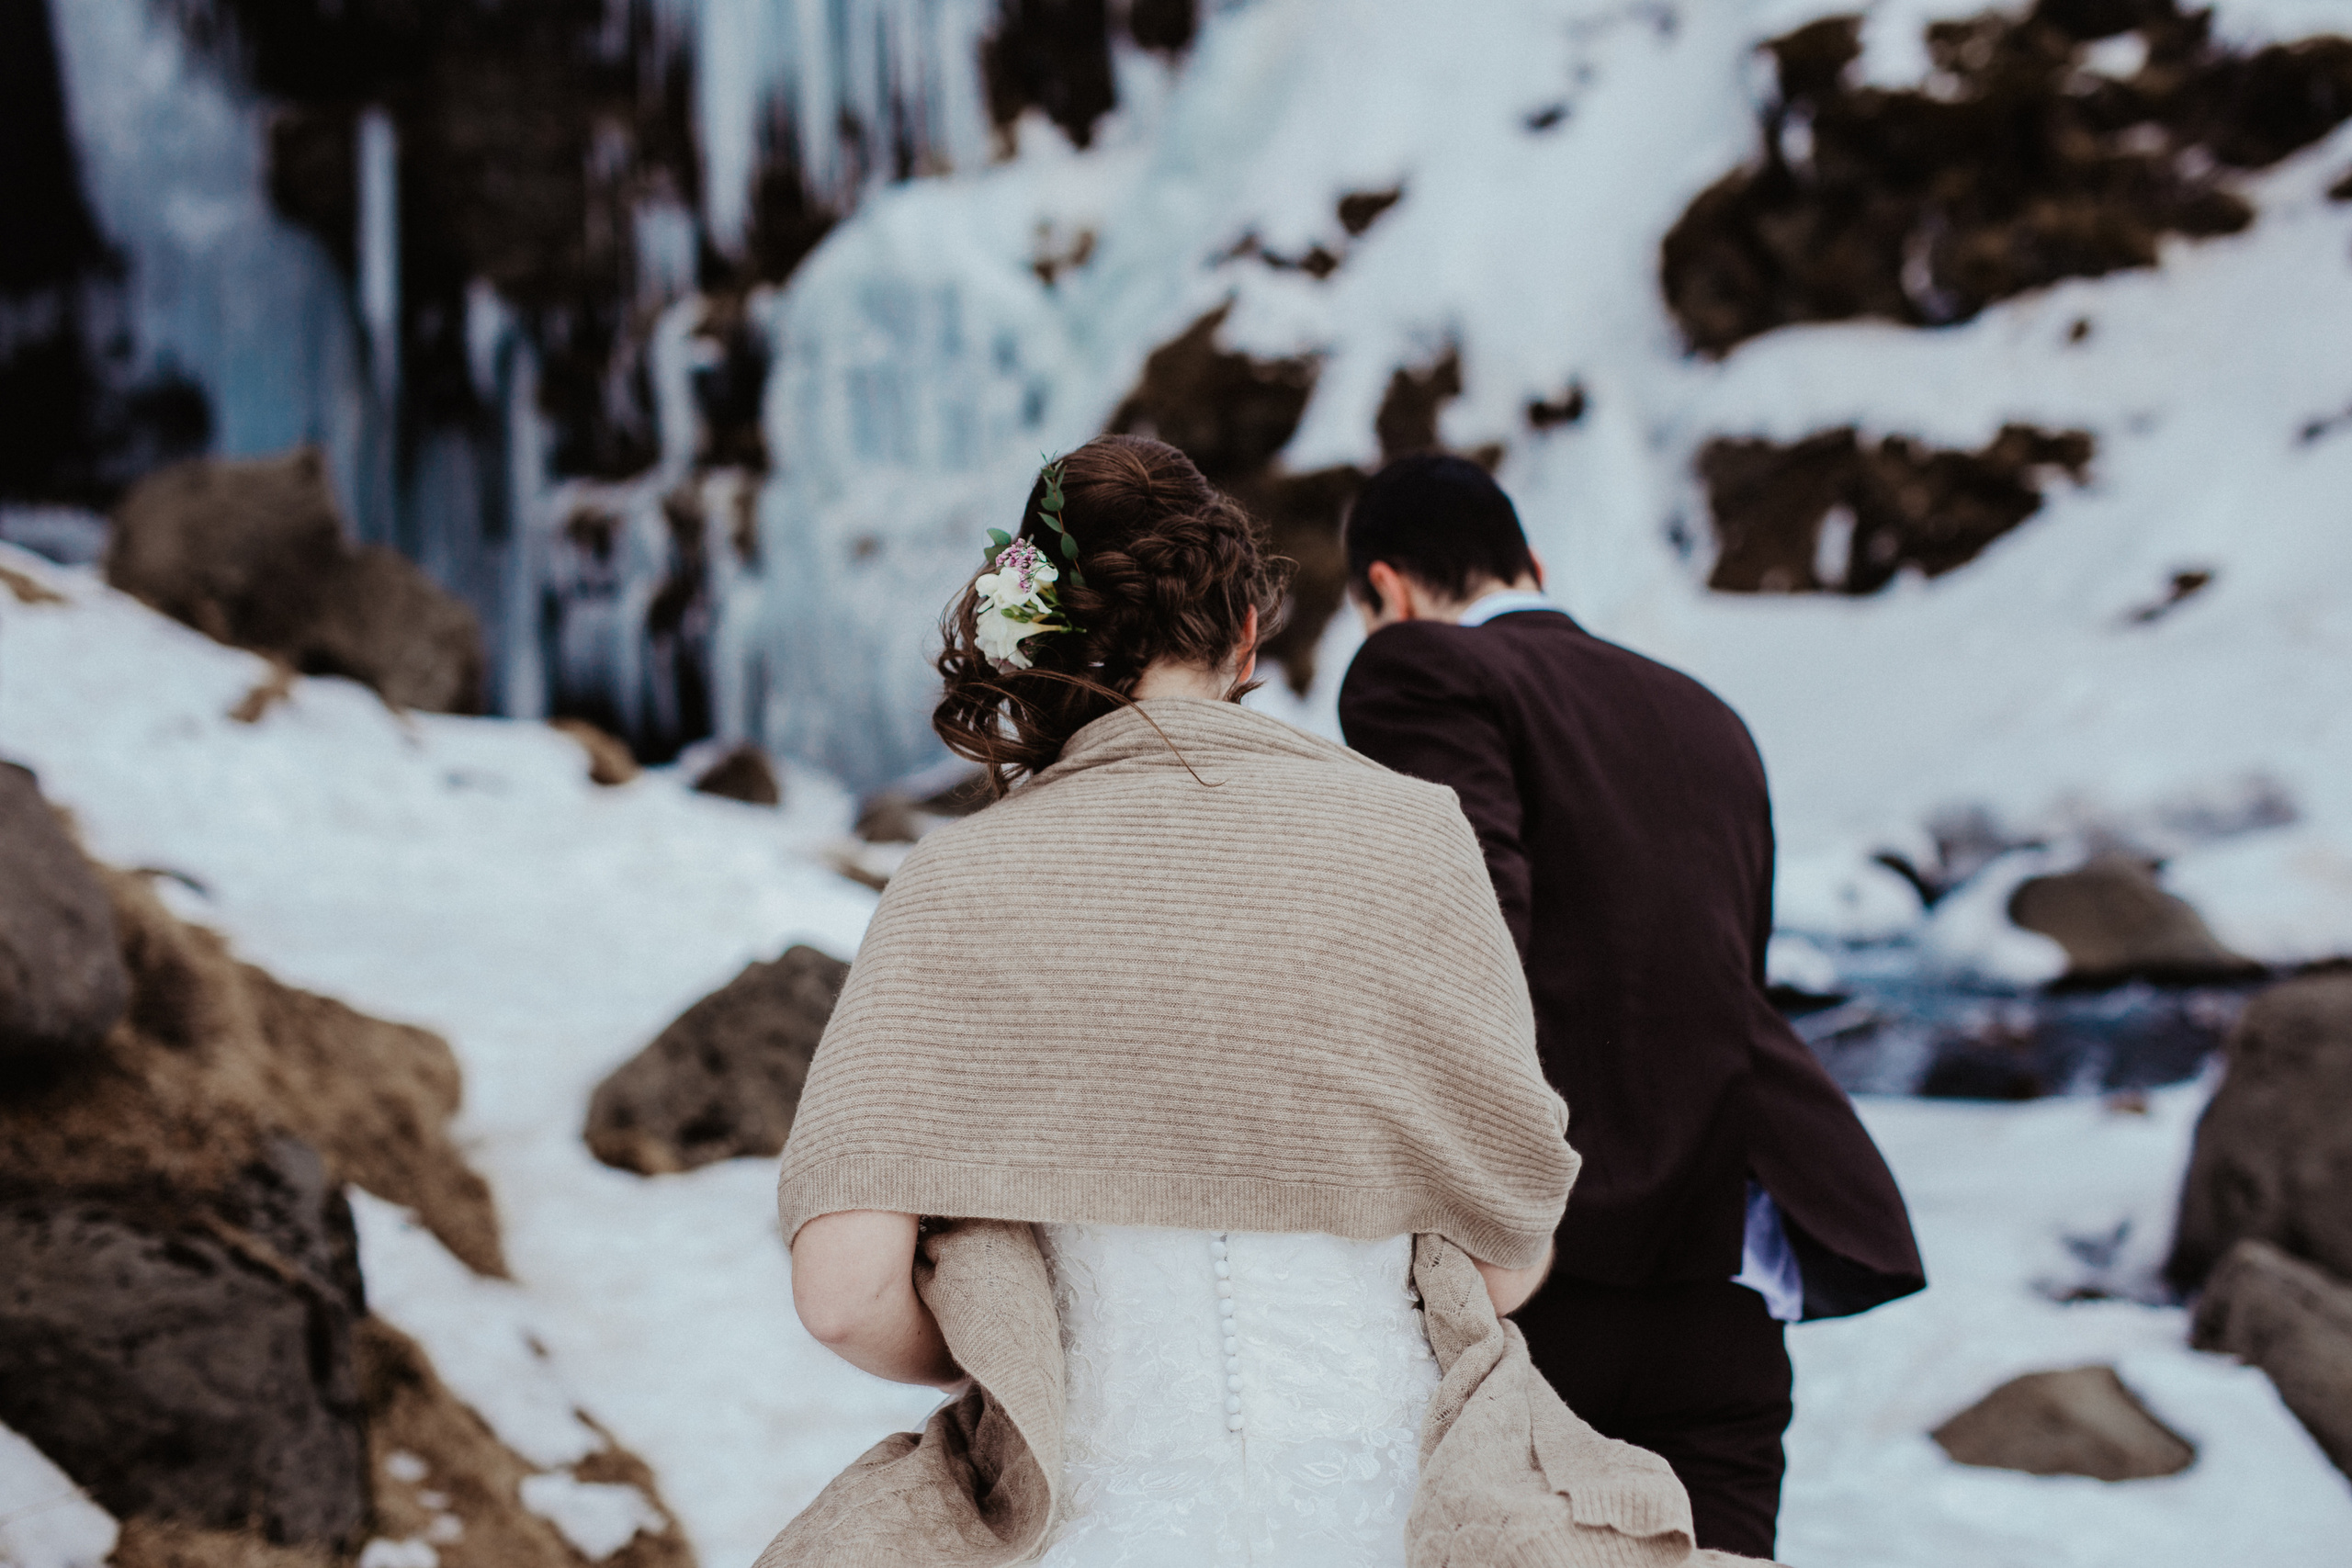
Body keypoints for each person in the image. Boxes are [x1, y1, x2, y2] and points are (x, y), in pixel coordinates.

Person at [757, 436, 1769, 1568]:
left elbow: (842, 1293)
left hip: (1093, 1519)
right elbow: (1508, 1248)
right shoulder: (1415, 833)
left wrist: (1007, 1345)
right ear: (1246, 633)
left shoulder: (952, 882)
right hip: (1389, 1518)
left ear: (1040, 644)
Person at [1336, 453, 1927, 1561]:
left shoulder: (1421, 670)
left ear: (1389, 591)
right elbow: (1721, 973)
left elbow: (1466, 943)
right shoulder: (1704, 714)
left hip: (1541, 1278)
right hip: (1727, 1281)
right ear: (1533, 565)